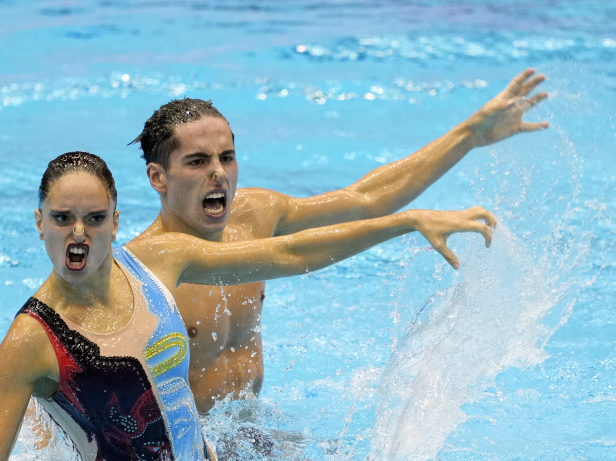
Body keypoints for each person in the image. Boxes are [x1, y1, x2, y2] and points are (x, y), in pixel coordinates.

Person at [0, 151, 496, 461]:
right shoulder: (30, 342)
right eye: (62, 218)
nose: (78, 233)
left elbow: (288, 255)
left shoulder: (160, 261)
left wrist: (404, 223)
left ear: (116, 221)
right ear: (38, 222)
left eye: (94, 218)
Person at [131, 68, 548, 412]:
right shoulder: (144, 267)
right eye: (198, 161)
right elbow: (292, 254)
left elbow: (364, 199)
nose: (219, 173)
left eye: (227, 157)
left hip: (250, 433)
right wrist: (407, 222)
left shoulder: (255, 214)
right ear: (158, 177)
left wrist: (470, 135)